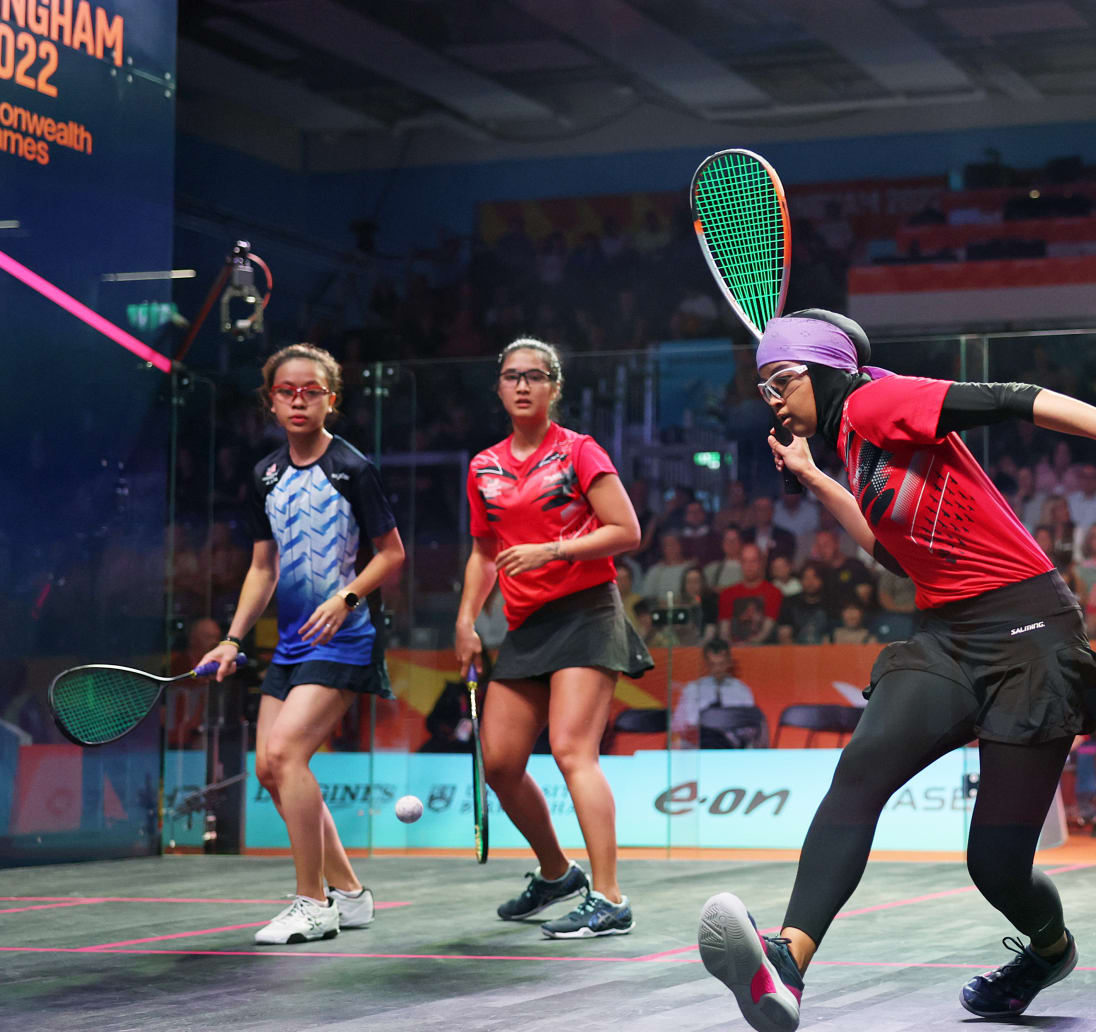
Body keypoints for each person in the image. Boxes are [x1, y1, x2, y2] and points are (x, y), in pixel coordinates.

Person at [698, 309, 1096, 1030]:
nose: (774, 400)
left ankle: (1049, 950)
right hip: (949, 636)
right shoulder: (851, 441)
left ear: (826, 371)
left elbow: (1014, 397)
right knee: (862, 770)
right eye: (764, 390)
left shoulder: (876, 401)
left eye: (782, 380)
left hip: (1029, 634)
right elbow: (892, 553)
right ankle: (786, 964)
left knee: (996, 866)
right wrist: (814, 477)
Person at [197, 344, 406, 946]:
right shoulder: (265, 475)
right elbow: (263, 568)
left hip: (343, 640)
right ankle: (351, 894)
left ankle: (313, 903)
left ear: (329, 400)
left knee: (286, 754)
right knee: (269, 769)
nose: (298, 400)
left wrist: (347, 599)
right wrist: (233, 639)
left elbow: (392, 553)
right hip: (290, 645)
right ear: (271, 401)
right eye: (286, 391)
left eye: (310, 390)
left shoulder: (352, 469)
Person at [453, 338, 648, 941]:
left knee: (571, 751)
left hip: (587, 612)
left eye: (535, 376)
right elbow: (484, 551)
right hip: (526, 624)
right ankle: (558, 873)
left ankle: (610, 898)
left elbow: (627, 530)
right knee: (500, 763)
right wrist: (466, 620)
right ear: (499, 387)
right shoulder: (483, 467)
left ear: (553, 388)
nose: (522, 385)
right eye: (512, 376)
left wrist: (553, 549)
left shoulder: (579, 452)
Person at [671, 638, 759, 747]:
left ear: (729, 662)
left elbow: (751, 727)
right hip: (698, 747)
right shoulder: (692, 689)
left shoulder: (742, 691)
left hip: (731, 747)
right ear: (706, 663)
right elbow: (678, 726)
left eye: (721, 664)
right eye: (713, 664)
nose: (717, 669)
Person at [776, 564, 836, 644]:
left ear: (822, 580)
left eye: (814, 577)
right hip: (794, 649)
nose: (810, 582)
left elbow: (833, 635)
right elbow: (784, 635)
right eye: (806, 578)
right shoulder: (789, 602)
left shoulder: (831, 603)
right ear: (800, 580)